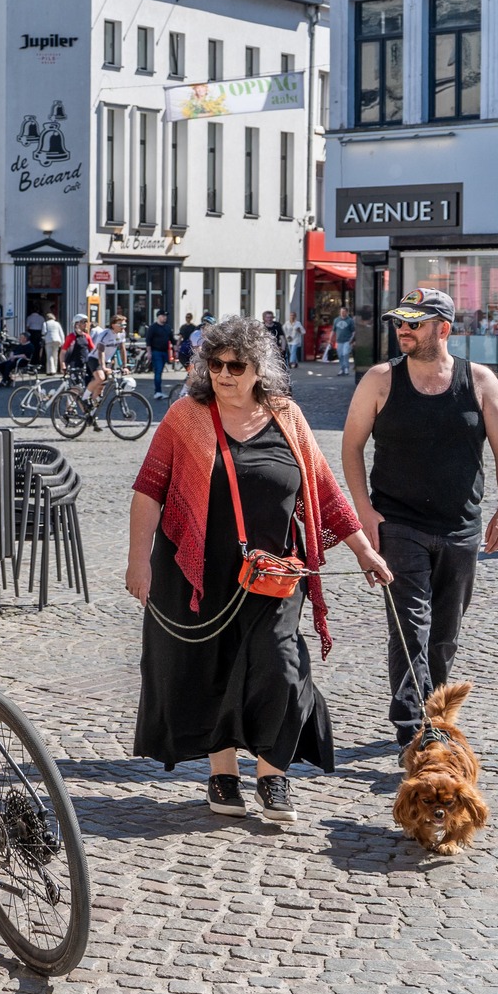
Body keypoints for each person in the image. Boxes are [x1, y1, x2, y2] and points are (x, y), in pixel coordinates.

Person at [126, 317, 392, 823]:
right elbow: (149, 490)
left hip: (275, 572)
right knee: (212, 669)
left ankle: (273, 776)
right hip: (198, 571)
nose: (223, 374)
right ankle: (222, 774)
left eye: (235, 365)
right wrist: (139, 561)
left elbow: (325, 490)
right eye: (215, 364)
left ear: (258, 369)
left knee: (281, 664)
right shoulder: (186, 416)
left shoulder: (287, 415)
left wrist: (363, 549)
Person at [341, 289, 498, 749]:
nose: (403, 329)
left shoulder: (479, 381)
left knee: (444, 634)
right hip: (398, 524)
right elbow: (351, 446)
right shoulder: (380, 380)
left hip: (461, 527)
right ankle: (413, 726)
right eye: (400, 322)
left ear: (443, 328)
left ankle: (433, 713)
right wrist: (365, 511)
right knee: (410, 626)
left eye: (414, 323)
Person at [146, 310, 174, 400]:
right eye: (163, 316)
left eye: (166, 316)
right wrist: (149, 352)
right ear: (158, 317)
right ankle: (157, 392)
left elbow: (172, 339)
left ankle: (159, 391)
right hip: (156, 352)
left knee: (160, 371)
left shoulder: (168, 328)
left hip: (164, 352)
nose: (165, 317)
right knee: (158, 371)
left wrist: (179, 343)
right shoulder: (153, 327)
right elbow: (148, 341)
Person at [333, 307, 357, 376]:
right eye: (341, 312)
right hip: (339, 340)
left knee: (345, 354)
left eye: (344, 312)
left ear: (347, 312)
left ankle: (346, 368)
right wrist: (330, 339)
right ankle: (342, 368)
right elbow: (333, 330)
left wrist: (351, 340)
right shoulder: (336, 320)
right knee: (340, 355)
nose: (342, 313)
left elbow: (353, 331)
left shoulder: (350, 320)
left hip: (347, 340)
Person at [42, 309, 65, 374]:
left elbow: (43, 332)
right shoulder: (57, 323)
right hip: (57, 340)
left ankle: (50, 370)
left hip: (49, 340)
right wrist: (63, 342)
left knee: (49, 355)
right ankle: (55, 369)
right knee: (55, 355)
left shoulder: (45, 323)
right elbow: (61, 333)